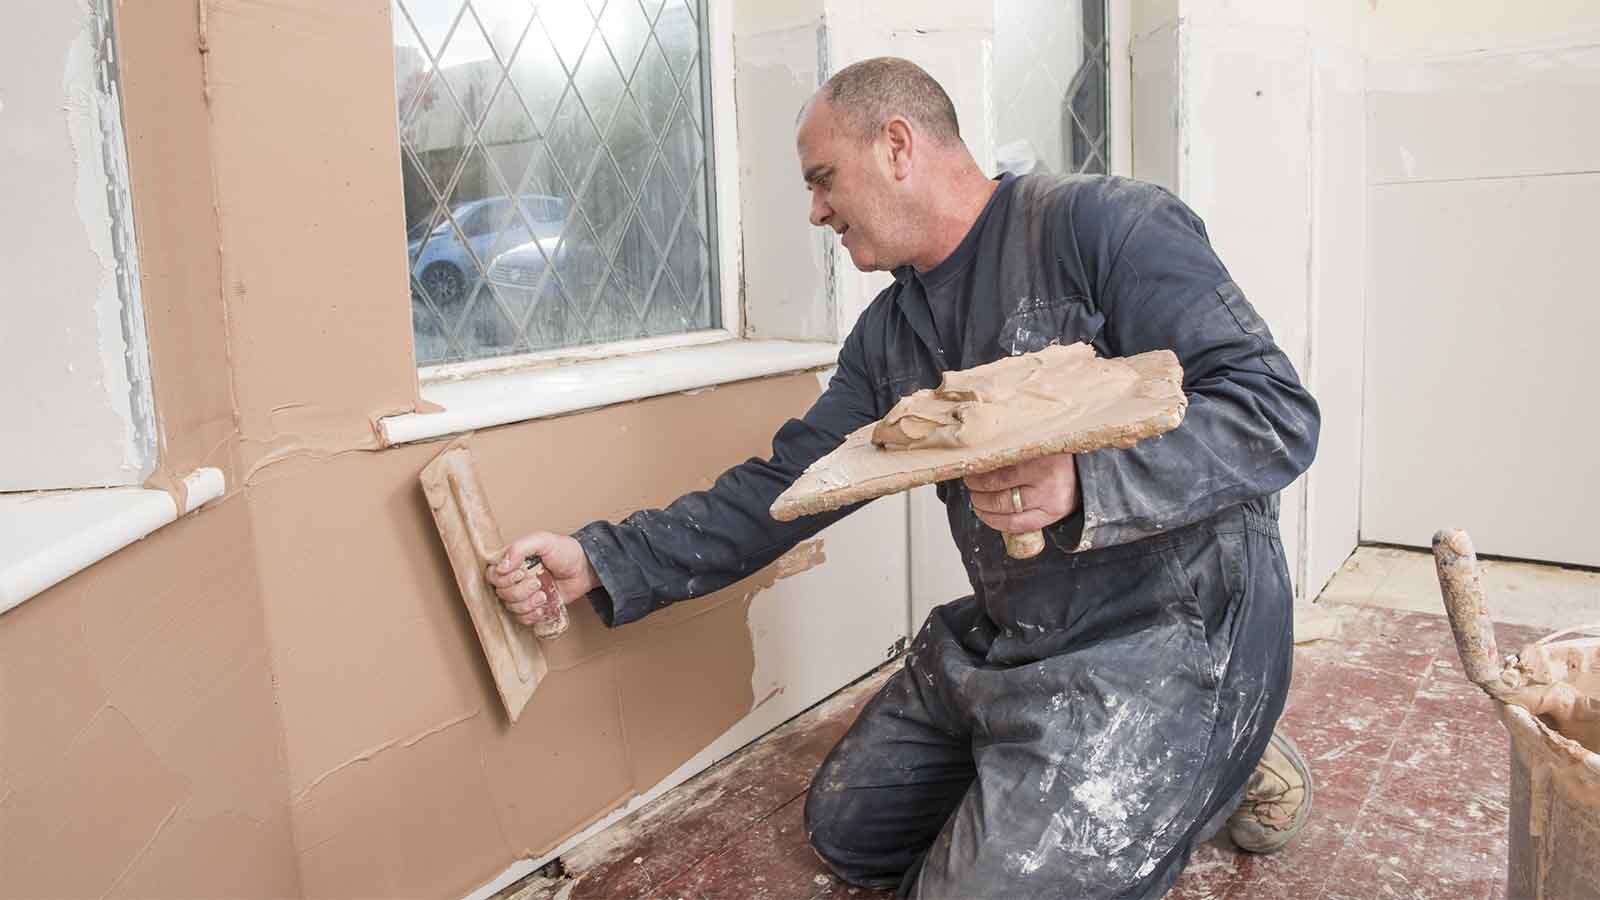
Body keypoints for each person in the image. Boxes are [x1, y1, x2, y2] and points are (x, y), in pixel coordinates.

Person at [488, 57, 1320, 899]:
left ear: (895, 147)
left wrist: (1083, 482)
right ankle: (1100, 774)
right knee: (847, 828)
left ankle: (1219, 749)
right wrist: (602, 558)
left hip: (1170, 630)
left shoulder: (1103, 227)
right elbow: (784, 485)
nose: (815, 210)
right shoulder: (891, 335)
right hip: (1021, 637)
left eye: (822, 180)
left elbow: (1276, 414)